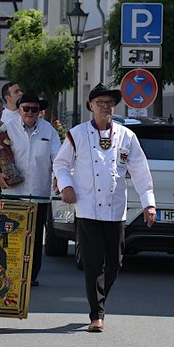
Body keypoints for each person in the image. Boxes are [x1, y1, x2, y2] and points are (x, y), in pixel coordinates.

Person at [53, 83, 156, 332]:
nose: (105, 107)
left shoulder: (126, 136)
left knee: (115, 263)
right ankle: (96, 314)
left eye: (109, 103)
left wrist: (148, 203)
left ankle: (99, 299)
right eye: (100, 103)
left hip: (115, 208)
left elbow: (140, 171)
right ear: (91, 106)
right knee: (93, 262)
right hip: (87, 207)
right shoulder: (76, 134)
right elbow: (61, 164)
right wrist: (66, 186)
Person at [0, 90, 61, 285]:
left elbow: (59, 159)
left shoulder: (49, 131)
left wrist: (60, 179)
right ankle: (10, 272)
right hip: (14, 193)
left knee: (35, 237)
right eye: (26, 108)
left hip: (39, 192)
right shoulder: (7, 128)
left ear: (40, 111)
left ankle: (31, 275)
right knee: (11, 235)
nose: (30, 112)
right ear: (19, 110)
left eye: (34, 109)